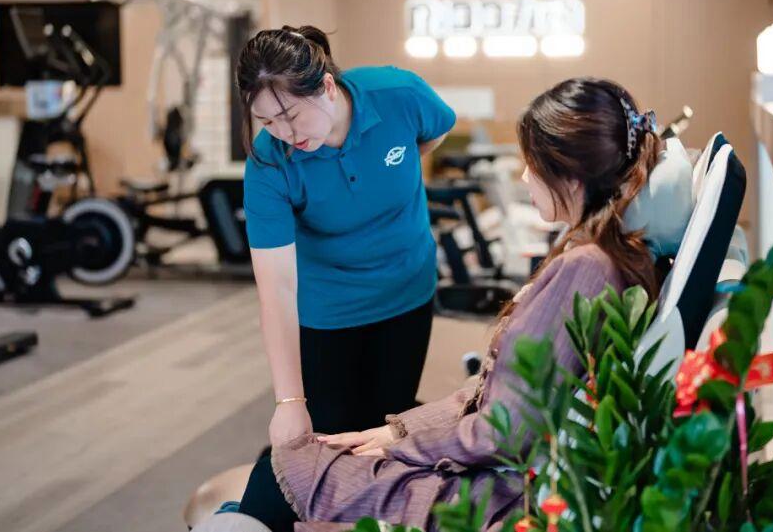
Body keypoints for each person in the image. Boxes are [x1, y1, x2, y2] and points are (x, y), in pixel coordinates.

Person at [200, 77, 702, 532]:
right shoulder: (595, 257)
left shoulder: (585, 269)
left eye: (531, 165)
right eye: (267, 121)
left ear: (570, 178)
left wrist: (402, 444)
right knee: (297, 463)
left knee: (287, 470)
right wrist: (395, 431)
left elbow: (503, 432)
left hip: (495, 489)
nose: (524, 177)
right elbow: (495, 403)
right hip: (483, 456)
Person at [184, 26, 457, 526]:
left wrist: (388, 175)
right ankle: (246, 515)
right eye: (267, 120)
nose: (285, 133)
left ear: (327, 86)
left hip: (406, 291)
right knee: (320, 434)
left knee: (388, 422)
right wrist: (289, 401)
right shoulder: (269, 162)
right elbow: (276, 289)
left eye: (290, 115)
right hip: (327, 309)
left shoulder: (397, 94)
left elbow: (434, 131)